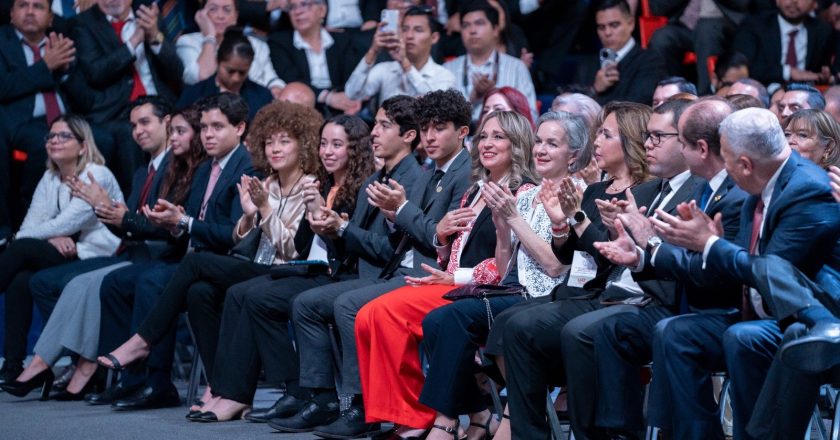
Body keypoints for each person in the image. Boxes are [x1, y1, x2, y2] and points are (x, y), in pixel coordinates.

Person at [268, 92, 470, 437]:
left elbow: (435, 239)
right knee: (303, 303)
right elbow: (414, 235)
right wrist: (331, 223)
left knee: (349, 306)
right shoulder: (422, 174)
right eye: (426, 128)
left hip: (429, 275)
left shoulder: (453, 173)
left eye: (439, 128)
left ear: (463, 132)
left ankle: (365, 406)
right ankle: (326, 398)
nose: (430, 136)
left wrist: (398, 213)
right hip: (398, 269)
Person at [641, 108, 840, 440]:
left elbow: (772, 271)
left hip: (804, 316)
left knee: (744, 338)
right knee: (676, 333)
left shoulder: (808, 189)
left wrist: (711, 245)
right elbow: (743, 267)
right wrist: (695, 248)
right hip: (762, 311)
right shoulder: (758, 186)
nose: (723, 169)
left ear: (745, 165)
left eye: (728, 160)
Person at [4, 102, 207, 400]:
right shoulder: (142, 172)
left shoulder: (176, 168)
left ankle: (87, 367)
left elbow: (158, 227)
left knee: (75, 279)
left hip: (149, 256)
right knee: (42, 280)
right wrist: (111, 214)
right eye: (134, 125)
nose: (138, 131)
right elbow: (126, 227)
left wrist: (112, 211)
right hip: (134, 253)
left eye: (145, 123)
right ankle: (70, 365)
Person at [355, 110, 537, 439]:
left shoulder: (523, 193)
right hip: (454, 283)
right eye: (484, 136)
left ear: (518, 144)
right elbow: (454, 250)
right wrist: (441, 238)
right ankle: (473, 414)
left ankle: (418, 417)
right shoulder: (475, 190)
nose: (487, 143)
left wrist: (455, 278)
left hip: (484, 291)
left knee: (384, 313)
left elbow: (512, 267)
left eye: (498, 137)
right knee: (369, 314)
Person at [186, 114, 375, 422]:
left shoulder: (358, 190)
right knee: (234, 292)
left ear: (355, 150)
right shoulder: (322, 184)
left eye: (337, 145)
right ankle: (234, 393)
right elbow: (299, 246)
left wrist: (327, 223)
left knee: (255, 297)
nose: (327, 151)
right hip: (305, 269)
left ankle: (295, 392)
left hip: (334, 275)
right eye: (324, 143)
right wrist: (257, 212)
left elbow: (340, 250)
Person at [578, 97, 749, 439]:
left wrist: (650, 244)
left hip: (718, 306)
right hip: (688, 301)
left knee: (670, 331)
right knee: (651, 331)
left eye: (676, 142)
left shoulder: (733, 195)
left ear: (700, 148)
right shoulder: (707, 191)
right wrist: (641, 254)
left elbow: (722, 272)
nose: (649, 147)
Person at [492, 102, 662, 440]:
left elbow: (607, 257)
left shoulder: (645, 193)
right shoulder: (597, 190)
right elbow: (569, 253)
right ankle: (527, 430)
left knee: (526, 325)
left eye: (606, 134)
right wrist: (561, 225)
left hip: (609, 295)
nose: (595, 142)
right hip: (580, 289)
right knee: (509, 322)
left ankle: (554, 423)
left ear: (630, 142)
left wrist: (578, 221)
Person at [417, 111, 591, 440]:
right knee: (435, 322)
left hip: (547, 296)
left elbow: (556, 266)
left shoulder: (578, 196)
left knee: (456, 318)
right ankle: (480, 414)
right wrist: (501, 229)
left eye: (552, 143)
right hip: (511, 290)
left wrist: (514, 220)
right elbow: (505, 263)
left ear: (574, 155)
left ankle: (454, 420)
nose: (540, 149)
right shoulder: (526, 195)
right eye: (539, 141)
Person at [89, 93, 256, 411]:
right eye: (204, 127)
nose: (207, 134)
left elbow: (235, 237)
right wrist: (172, 223)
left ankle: (148, 360)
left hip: (232, 262)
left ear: (240, 128)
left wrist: (184, 222)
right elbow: (189, 223)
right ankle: (201, 385)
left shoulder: (248, 169)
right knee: (133, 285)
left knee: (155, 279)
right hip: (198, 263)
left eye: (217, 127)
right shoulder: (206, 169)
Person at [0, 114, 122, 386]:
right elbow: (36, 223)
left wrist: (19, 237)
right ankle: (12, 366)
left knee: (20, 249)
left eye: (63, 136)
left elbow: (67, 222)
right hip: (64, 252)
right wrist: (51, 238)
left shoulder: (96, 174)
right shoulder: (50, 177)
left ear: (83, 145)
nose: (54, 141)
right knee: (20, 279)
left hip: (96, 255)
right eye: (50, 136)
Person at [72, 0, 184, 192]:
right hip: (116, 110)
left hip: (159, 101)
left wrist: (154, 36)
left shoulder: (148, 16)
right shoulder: (84, 23)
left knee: (188, 124)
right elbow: (96, 73)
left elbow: (176, 71)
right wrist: (134, 41)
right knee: (131, 132)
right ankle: (135, 205)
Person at [444, 1, 536, 123]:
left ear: (495, 30)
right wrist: (473, 99)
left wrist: (494, 95)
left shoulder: (517, 67)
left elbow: (531, 116)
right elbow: (442, 121)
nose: (472, 30)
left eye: (479, 23)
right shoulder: (447, 69)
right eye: (466, 25)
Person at [267, 0, 364, 116]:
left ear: (322, 10)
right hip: (300, 107)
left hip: (341, 106)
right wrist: (328, 97)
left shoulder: (343, 40)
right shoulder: (279, 42)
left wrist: (351, 100)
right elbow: (290, 79)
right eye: (292, 7)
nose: (298, 11)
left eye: (305, 4)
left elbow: (351, 77)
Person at [344, 6, 455, 104]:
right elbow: (352, 94)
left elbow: (433, 105)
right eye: (405, 29)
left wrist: (405, 63)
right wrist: (372, 51)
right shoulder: (385, 69)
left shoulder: (444, 75)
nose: (409, 35)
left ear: (434, 38)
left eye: (418, 30)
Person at [176, 0, 283, 95]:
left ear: (236, 16)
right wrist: (210, 37)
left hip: (254, 104)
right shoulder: (187, 42)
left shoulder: (256, 45)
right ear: (201, 14)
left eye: (227, 10)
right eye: (213, 9)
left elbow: (271, 79)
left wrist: (277, 88)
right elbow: (201, 78)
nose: (220, 15)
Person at [573, 0, 667, 107]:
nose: (607, 33)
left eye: (614, 25)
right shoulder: (586, 65)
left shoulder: (651, 61)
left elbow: (636, 106)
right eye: (601, 27)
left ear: (631, 23)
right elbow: (573, 109)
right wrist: (594, 89)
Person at [646, 0, 748, 94]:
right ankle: (670, 94)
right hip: (685, 26)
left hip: (724, 24)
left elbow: (742, 3)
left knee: (705, 31)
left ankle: (705, 97)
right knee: (662, 38)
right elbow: (657, 7)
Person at [177, 28, 272, 121]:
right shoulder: (195, 93)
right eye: (230, 71)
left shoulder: (263, 96)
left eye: (242, 72)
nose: (236, 78)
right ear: (218, 61)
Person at [733, 0, 834, 86]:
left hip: (805, 93)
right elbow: (741, 67)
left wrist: (825, 75)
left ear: (814, 4)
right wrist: (788, 72)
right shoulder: (754, 25)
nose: (794, 1)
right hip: (762, 89)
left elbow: (822, 71)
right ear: (777, 1)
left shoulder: (823, 31)